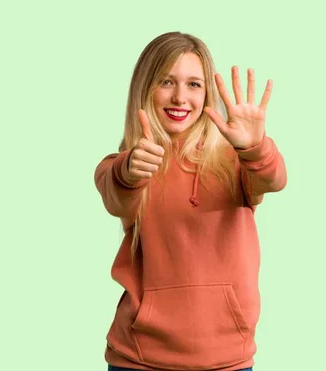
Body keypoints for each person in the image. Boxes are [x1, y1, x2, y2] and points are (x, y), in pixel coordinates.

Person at [94, 31, 287, 371]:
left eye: (194, 84)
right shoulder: (126, 164)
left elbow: (274, 179)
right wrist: (129, 169)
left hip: (227, 360)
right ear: (145, 87)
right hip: (139, 359)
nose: (180, 97)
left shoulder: (235, 160)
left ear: (207, 93)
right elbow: (117, 198)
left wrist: (255, 148)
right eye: (166, 81)